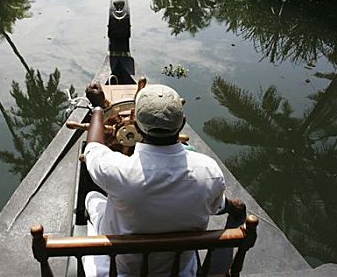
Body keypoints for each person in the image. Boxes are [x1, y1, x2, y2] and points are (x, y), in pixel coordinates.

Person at [83, 82, 245, 276]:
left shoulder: (116, 169)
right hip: (179, 270)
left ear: (136, 126)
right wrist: (233, 207)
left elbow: (93, 148)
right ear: (183, 123)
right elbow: (217, 205)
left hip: (122, 270)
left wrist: (98, 107)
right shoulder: (209, 171)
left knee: (92, 197)